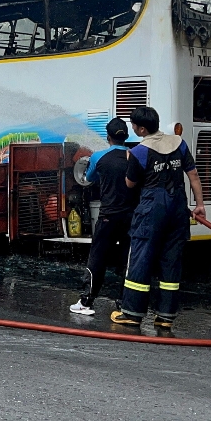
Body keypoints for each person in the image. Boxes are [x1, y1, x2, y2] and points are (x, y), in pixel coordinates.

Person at [111, 106, 206, 330]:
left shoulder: (139, 152)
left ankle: (132, 313)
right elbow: (193, 175)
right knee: (171, 261)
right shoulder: (178, 143)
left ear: (142, 129)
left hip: (152, 209)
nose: (132, 128)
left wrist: (130, 164)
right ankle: (165, 317)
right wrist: (200, 205)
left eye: (134, 125)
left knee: (141, 258)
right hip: (178, 209)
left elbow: (130, 184)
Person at [69, 118, 137, 316]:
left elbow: (88, 178)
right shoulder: (134, 156)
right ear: (126, 136)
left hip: (108, 216)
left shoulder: (98, 157)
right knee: (127, 260)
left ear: (108, 137)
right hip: (130, 216)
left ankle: (86, 302)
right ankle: (126, 303)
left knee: (97, 257)